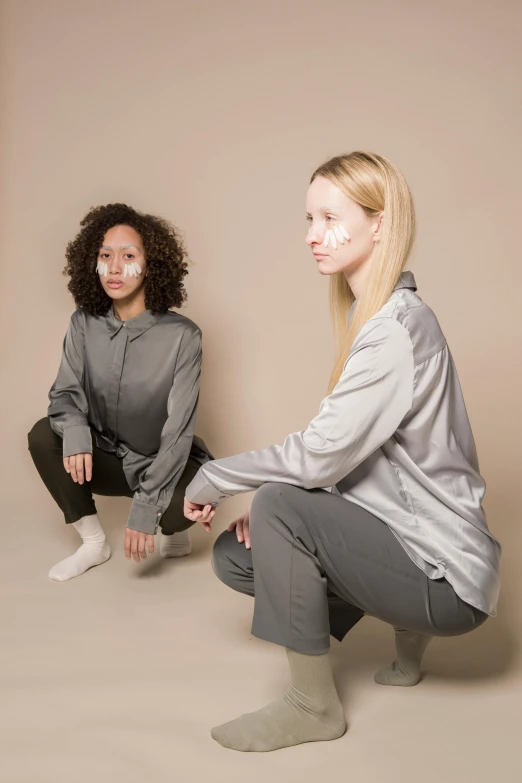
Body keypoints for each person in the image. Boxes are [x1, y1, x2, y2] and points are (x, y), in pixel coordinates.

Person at [183, 151, 502, 752]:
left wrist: (218, 478)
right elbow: (363, 459)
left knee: (278, 506)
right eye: (308, 219)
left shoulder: (393, 331)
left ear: (380, 223)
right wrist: (298, 517)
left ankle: (312, 706)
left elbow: (320, 457)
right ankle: (407, 640)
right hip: (420, 548)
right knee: (239, 555)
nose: (312, 236)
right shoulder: (377, 315)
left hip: (448, 580)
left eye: (329, 218)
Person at [29, 203, 211, 582]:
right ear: (91, 262)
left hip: (163, 461)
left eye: (128, 256)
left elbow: (177, 433)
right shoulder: (83, 322)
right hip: (106, 458)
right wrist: (77, 432)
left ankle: (174, 531)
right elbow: (64, 393)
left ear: (150, 265)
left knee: (192, 502)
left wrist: (147, 510)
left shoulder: (184, 336)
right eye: (105, 255)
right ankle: (94, 543)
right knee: (44, 435)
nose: (114, 268)